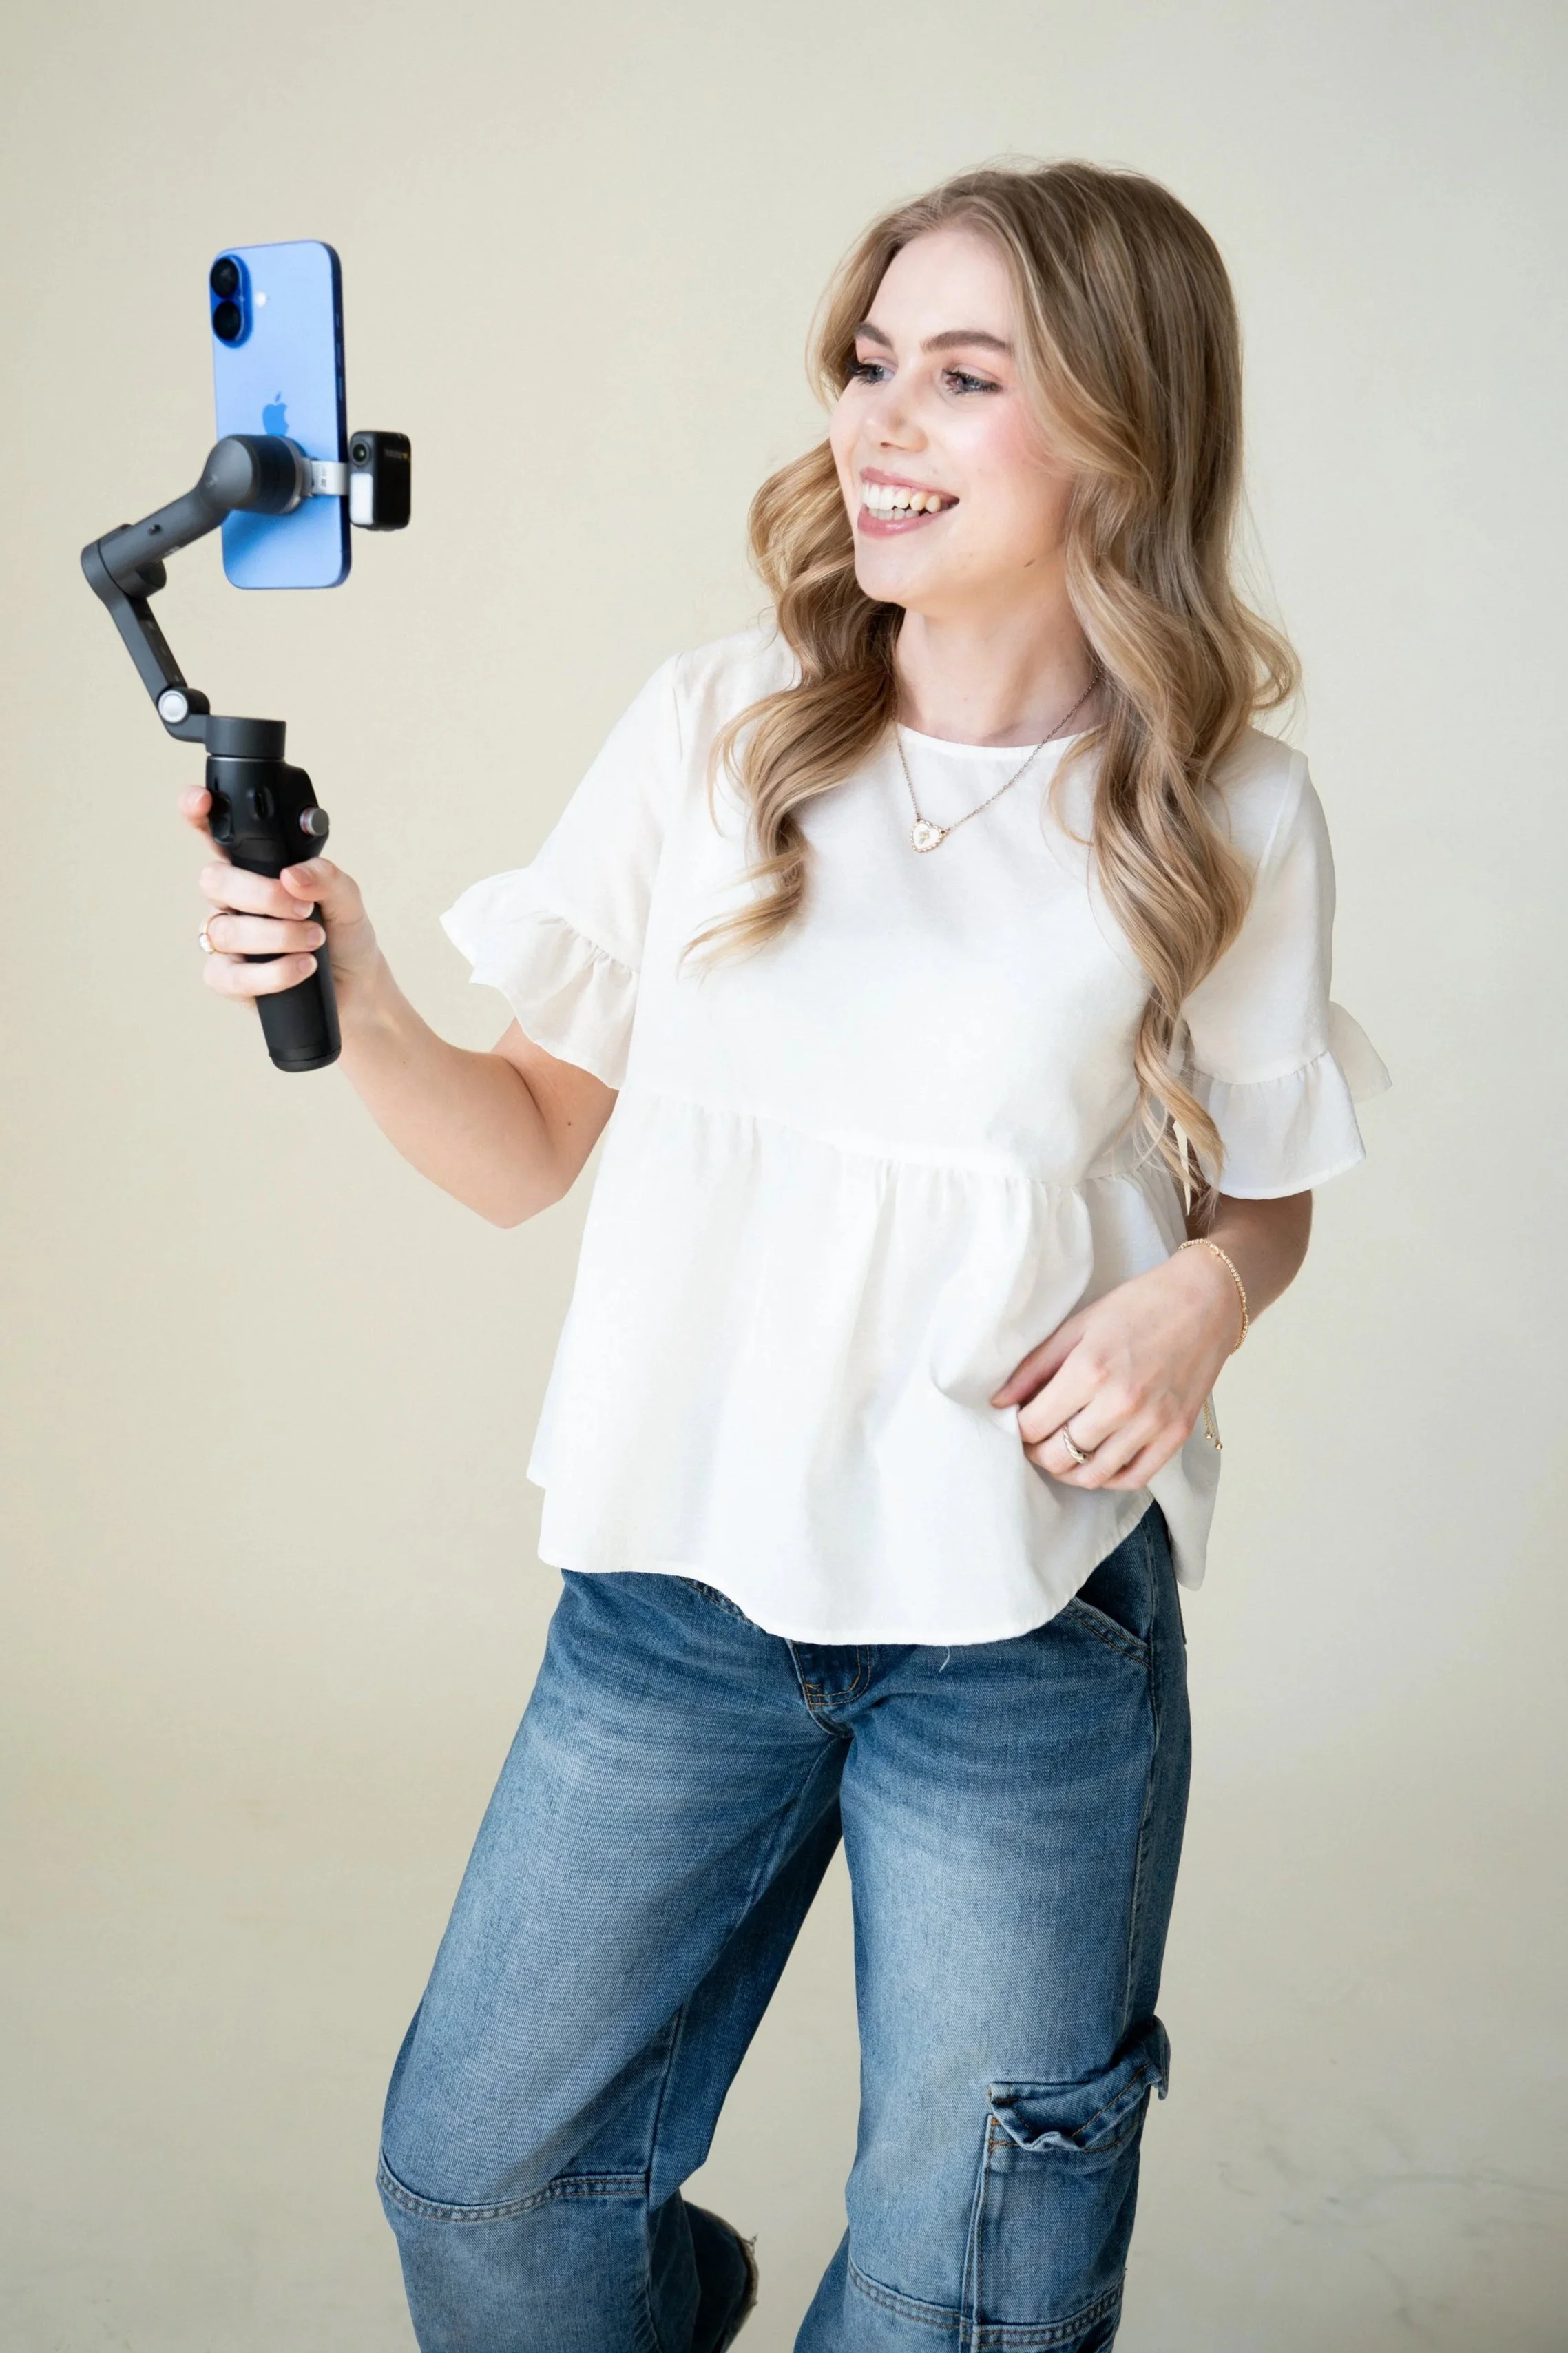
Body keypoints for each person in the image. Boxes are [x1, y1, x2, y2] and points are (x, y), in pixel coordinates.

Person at [183, 160, 1387, 2353]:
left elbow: (1271, 1182)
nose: (879, 423)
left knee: (969, 2287)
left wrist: (1203, 1291)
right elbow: (524, 1150)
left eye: (960, 376)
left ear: (1123, 422)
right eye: (864, 367)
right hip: (680, 1598)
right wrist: (354, 986)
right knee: (484, 2184)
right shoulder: (719, 724)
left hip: (1025, 1627)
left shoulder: (1228, 810)